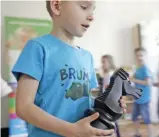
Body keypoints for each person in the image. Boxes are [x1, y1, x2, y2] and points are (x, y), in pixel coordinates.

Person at [11, 1, 127, 137]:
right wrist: (72, 130)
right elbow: (24, 107)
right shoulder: (37, 48)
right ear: (57, 6)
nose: (91, 16)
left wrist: (110, 106)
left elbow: (84, 101)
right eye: (84, 7)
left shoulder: (87, 57)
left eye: (93, 10)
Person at [130, 47, 153, 137]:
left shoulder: (145, 69)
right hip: (137, 98)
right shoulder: (137, 68)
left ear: (145, 56)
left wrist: (135, 80)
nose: (139, 57)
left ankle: (150, 135)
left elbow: (148, 82)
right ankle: (137, 133)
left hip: (144, 99)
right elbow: (133, 79)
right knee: (135, 117)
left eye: (141, 55)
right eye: (137, 56)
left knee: (147, 119)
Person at [100, 54, 121, 137]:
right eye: (102, 62)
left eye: (104, 62)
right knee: (113, 122)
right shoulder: (107, 74)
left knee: (111, 121)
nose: (102, 64)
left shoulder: (111, 75)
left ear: (110, 63)